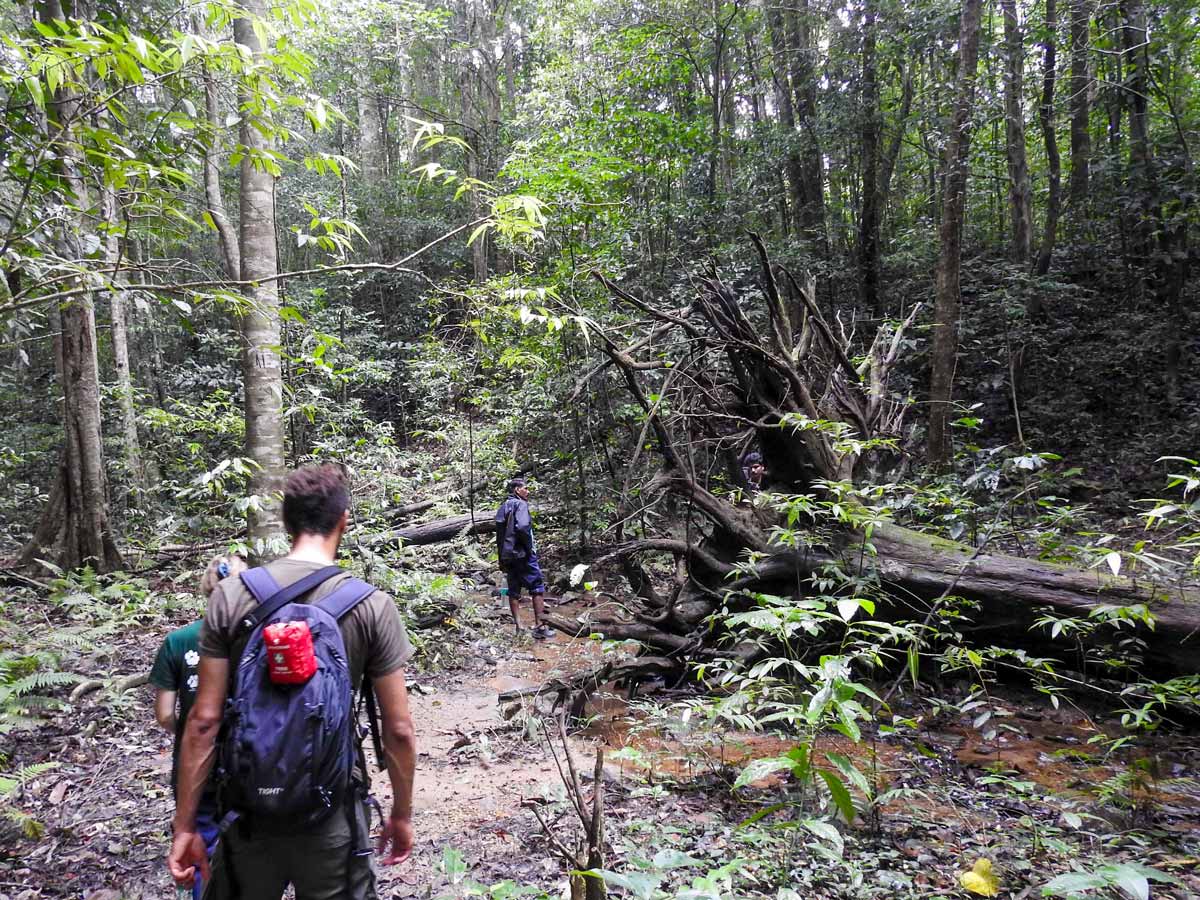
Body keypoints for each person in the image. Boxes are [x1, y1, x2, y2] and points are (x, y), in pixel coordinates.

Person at [167, 463, 418, 899]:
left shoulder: (231, 595)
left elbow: (203, 721)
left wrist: (186, 824)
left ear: (286, 524)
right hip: (332, 811)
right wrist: (401, 814)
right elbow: (398, 730)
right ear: (343, 521)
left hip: (247, 811)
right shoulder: (372, 606)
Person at [150, 554, 246, 900]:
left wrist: (187, 733)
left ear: (207, 590)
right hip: (250, 764)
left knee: (199, 848)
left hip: (194, 769)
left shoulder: (178, 641)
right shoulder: (257, 639)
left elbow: (164, 714)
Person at [495, 477, 553, 640]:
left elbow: (500, 537)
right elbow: (522, 527)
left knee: (513, 590)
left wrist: (501, 559)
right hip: (523, 554)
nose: (527, 491)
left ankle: (519, 627)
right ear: (517, 490)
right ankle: (540, 627)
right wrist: (529, 548)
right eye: (525, 488)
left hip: (508, 556)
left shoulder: (502, 507)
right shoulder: (520, 505)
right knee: (536, 587)